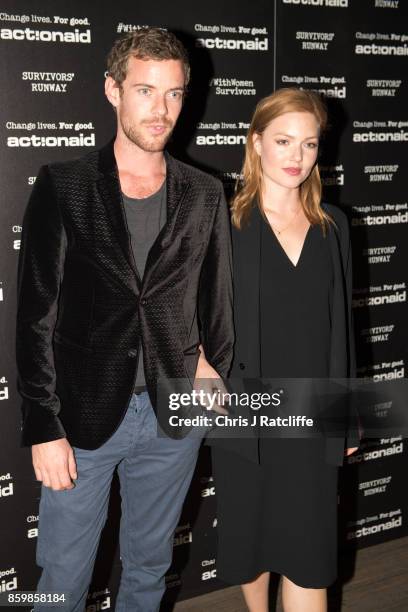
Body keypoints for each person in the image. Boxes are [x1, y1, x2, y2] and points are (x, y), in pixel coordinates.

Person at [16, 28, 233, 612]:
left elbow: (214, 299)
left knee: (149, 568)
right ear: (113, 90)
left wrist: (212, 362)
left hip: (171, 416)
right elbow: (36, 314)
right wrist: (43, 422)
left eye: (174, 94)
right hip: (81, 417)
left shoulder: (205, 192)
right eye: (145, 90)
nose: (160, 110)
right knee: (62, 577)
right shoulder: (65, 186)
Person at [211, 88, 359, 612]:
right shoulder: (223, 221)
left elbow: (343, 329)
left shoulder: (333, 226)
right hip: (244, 411)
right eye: (283, 141)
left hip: (313, 414)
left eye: (310, 144)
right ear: (256, 143)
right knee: (251, 544)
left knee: (309, 554)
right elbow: (186, 315)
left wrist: (348, 419)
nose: (296, 157)